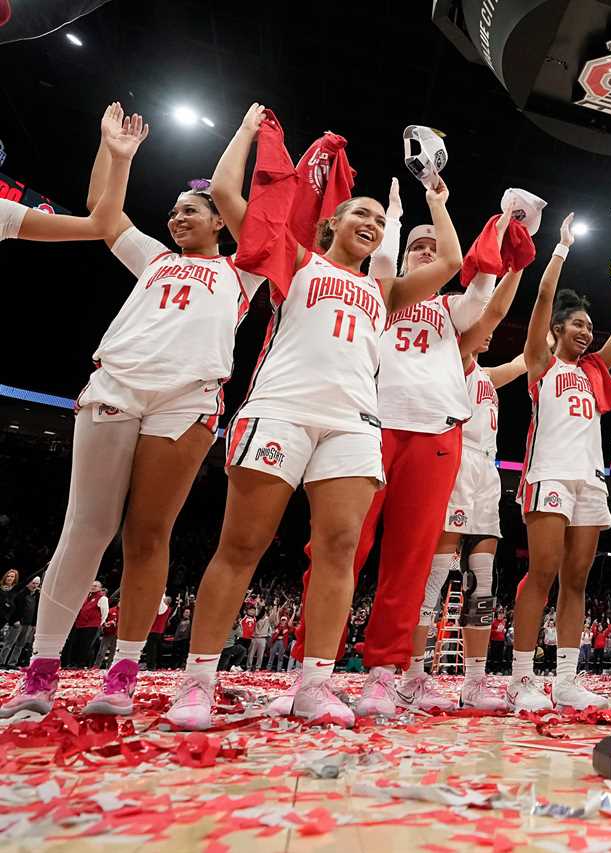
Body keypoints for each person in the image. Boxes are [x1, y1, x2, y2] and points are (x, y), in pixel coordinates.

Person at [162, 104, 463, 731]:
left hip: (354, 425)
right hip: (281, 411)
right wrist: (247, 129)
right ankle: (196, 682)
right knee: (242, 546)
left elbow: (453, 262)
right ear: (333, 223)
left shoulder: (385, 291)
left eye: (380, 221)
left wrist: (434, 192)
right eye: (362, 213)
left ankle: (314, 685)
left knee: (339, 548)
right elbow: (223, 191)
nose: (374, 224)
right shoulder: (294, 261)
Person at [286, 183, 530, 719]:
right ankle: (308, 666)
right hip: (366, 426)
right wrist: (398, 225)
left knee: (411, 560)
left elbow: (481, 289)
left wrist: (495, 238)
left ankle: (383, 674)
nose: (424, 252)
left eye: (431, 247)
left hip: (436, 434)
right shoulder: (376, 290)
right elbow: (388, 257)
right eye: (415, 245)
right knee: (337, 550)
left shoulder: (449, 309)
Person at [3, 105, 209, 717]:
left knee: (149, 536)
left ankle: (122, 673)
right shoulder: (152, 257)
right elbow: (104, 213)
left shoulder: (241, 274)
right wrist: (116, 154)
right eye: (173, 209)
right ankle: (40, 672)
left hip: (187, 399)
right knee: (85, 528)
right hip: (117, 384)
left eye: (191, 209)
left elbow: (256, 214)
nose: (176, 216)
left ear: (220, 222)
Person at [506, 220, 611, 712]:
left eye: (587, 325)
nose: (585, 331)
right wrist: (561, 247)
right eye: (577, 324)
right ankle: (521, 679)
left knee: (577, 579)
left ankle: (564, 678)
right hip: (547, 475)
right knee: (540, 572)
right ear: (557, 330)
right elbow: (542, 299)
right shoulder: (542, 364)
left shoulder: (593, 371)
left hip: (589, 478)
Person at [416, 342, 527, 710]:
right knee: (436, 575)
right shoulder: (455, 360)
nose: (490, 332)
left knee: (483, 582)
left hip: (487, 471)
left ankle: (474, 683)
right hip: (457, 460)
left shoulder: (486, 376)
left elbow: (522, 361)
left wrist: (546, 334)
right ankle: (413, 675)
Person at [1, 576, 41, 670]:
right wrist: (15, 620)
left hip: (28, 624)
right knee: (9, 643)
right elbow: (15, 608)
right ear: (29, 583)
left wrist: (34, 624)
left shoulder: (36, 595)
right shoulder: (21, 593)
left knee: (20, 645)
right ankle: (2, 661)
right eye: (33, 583)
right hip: (18, 622)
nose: (34, 586)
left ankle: (12, 663)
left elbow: (36, 610)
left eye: (37, 584)